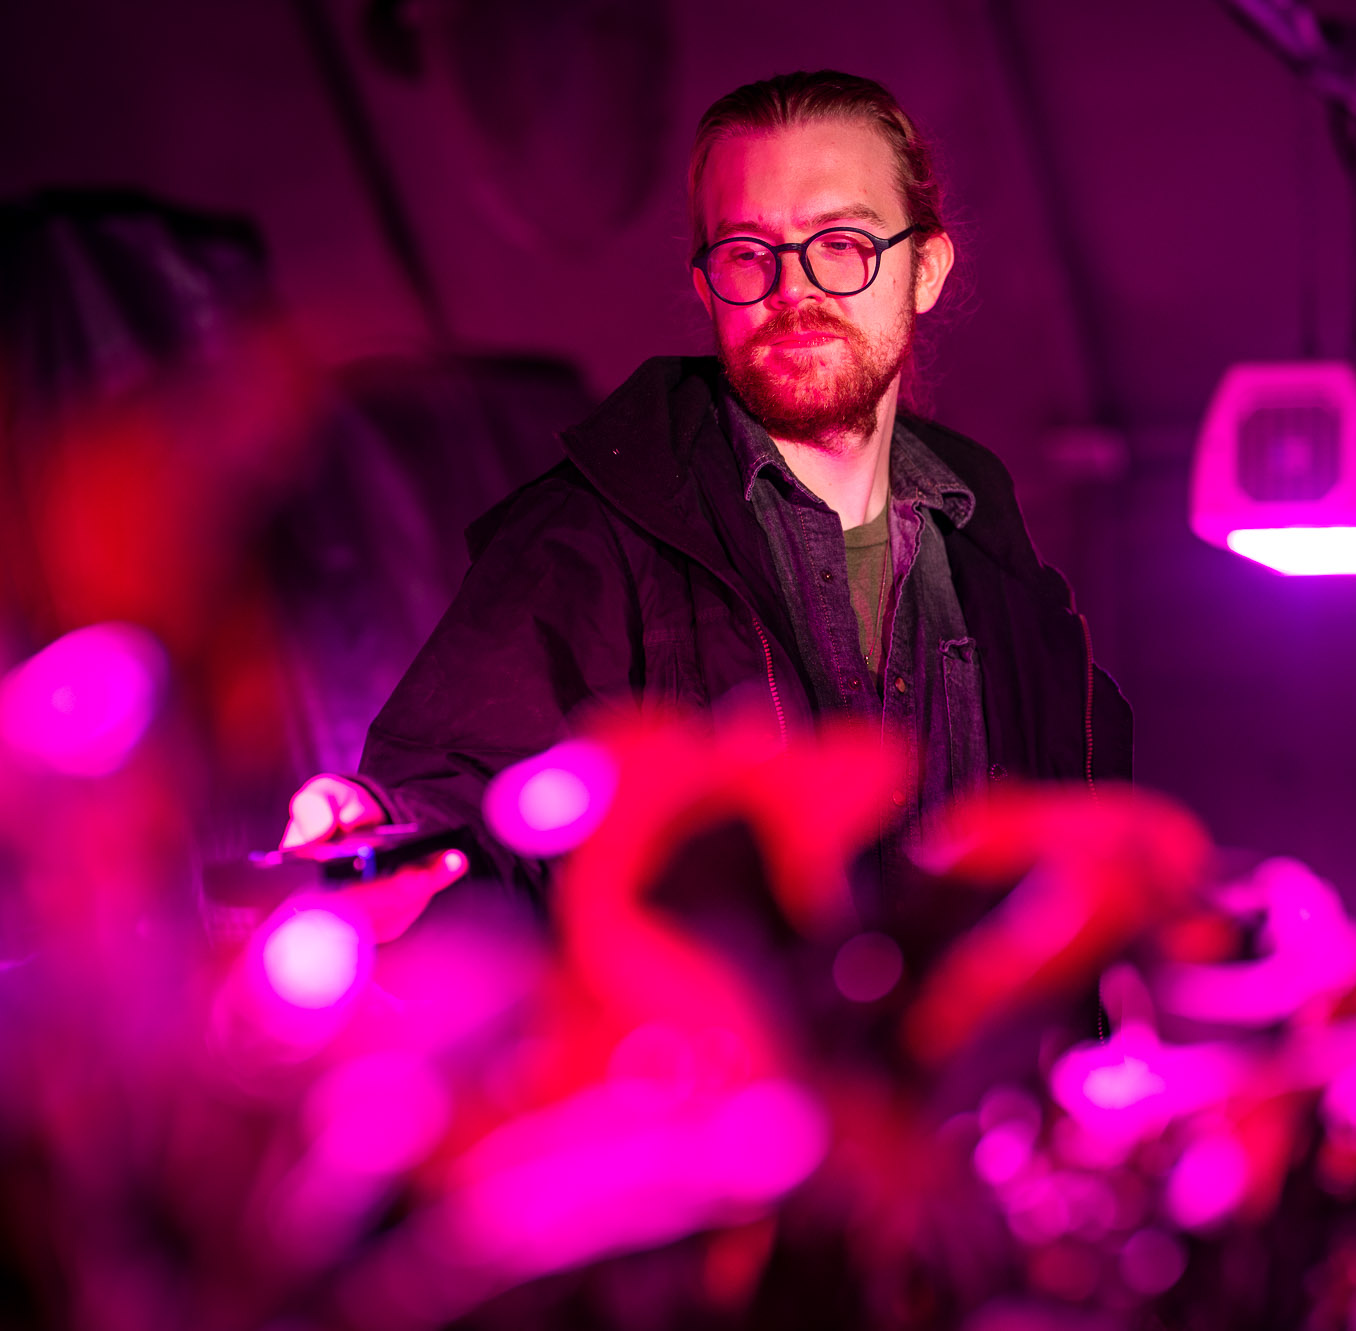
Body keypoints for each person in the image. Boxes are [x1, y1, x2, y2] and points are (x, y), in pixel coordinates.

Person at [279, 70, 1132, 899]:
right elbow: (460, 787)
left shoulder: (994, 557)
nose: (792, 289)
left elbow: (1075, 847)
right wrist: (382, 827)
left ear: (926, 270)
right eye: (748, 251)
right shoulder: (590, 533)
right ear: (707, 287)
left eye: (842, 244)